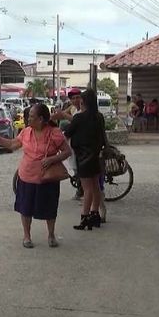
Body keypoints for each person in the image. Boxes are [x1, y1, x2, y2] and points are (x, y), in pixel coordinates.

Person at [0, 103, 71, 248]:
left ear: (40, 119)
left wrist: (52, 159)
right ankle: (27, 236)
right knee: (25, 208)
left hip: (47, 178)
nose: (28, 119)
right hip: (26, 176)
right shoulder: (26, 132)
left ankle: (51, 235)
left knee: (50, 208)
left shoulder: (54, 133)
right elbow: (12, 145)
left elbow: (67, 151)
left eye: (32, 117)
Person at [62, 89, 106, 230]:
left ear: (83, 101)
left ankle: (85, 217)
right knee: (96, 186)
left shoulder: (79, 118)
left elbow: (67, 133)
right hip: (96, 155)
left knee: (87, 189)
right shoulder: (99, 116)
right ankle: (95, 215)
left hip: (83, 157)